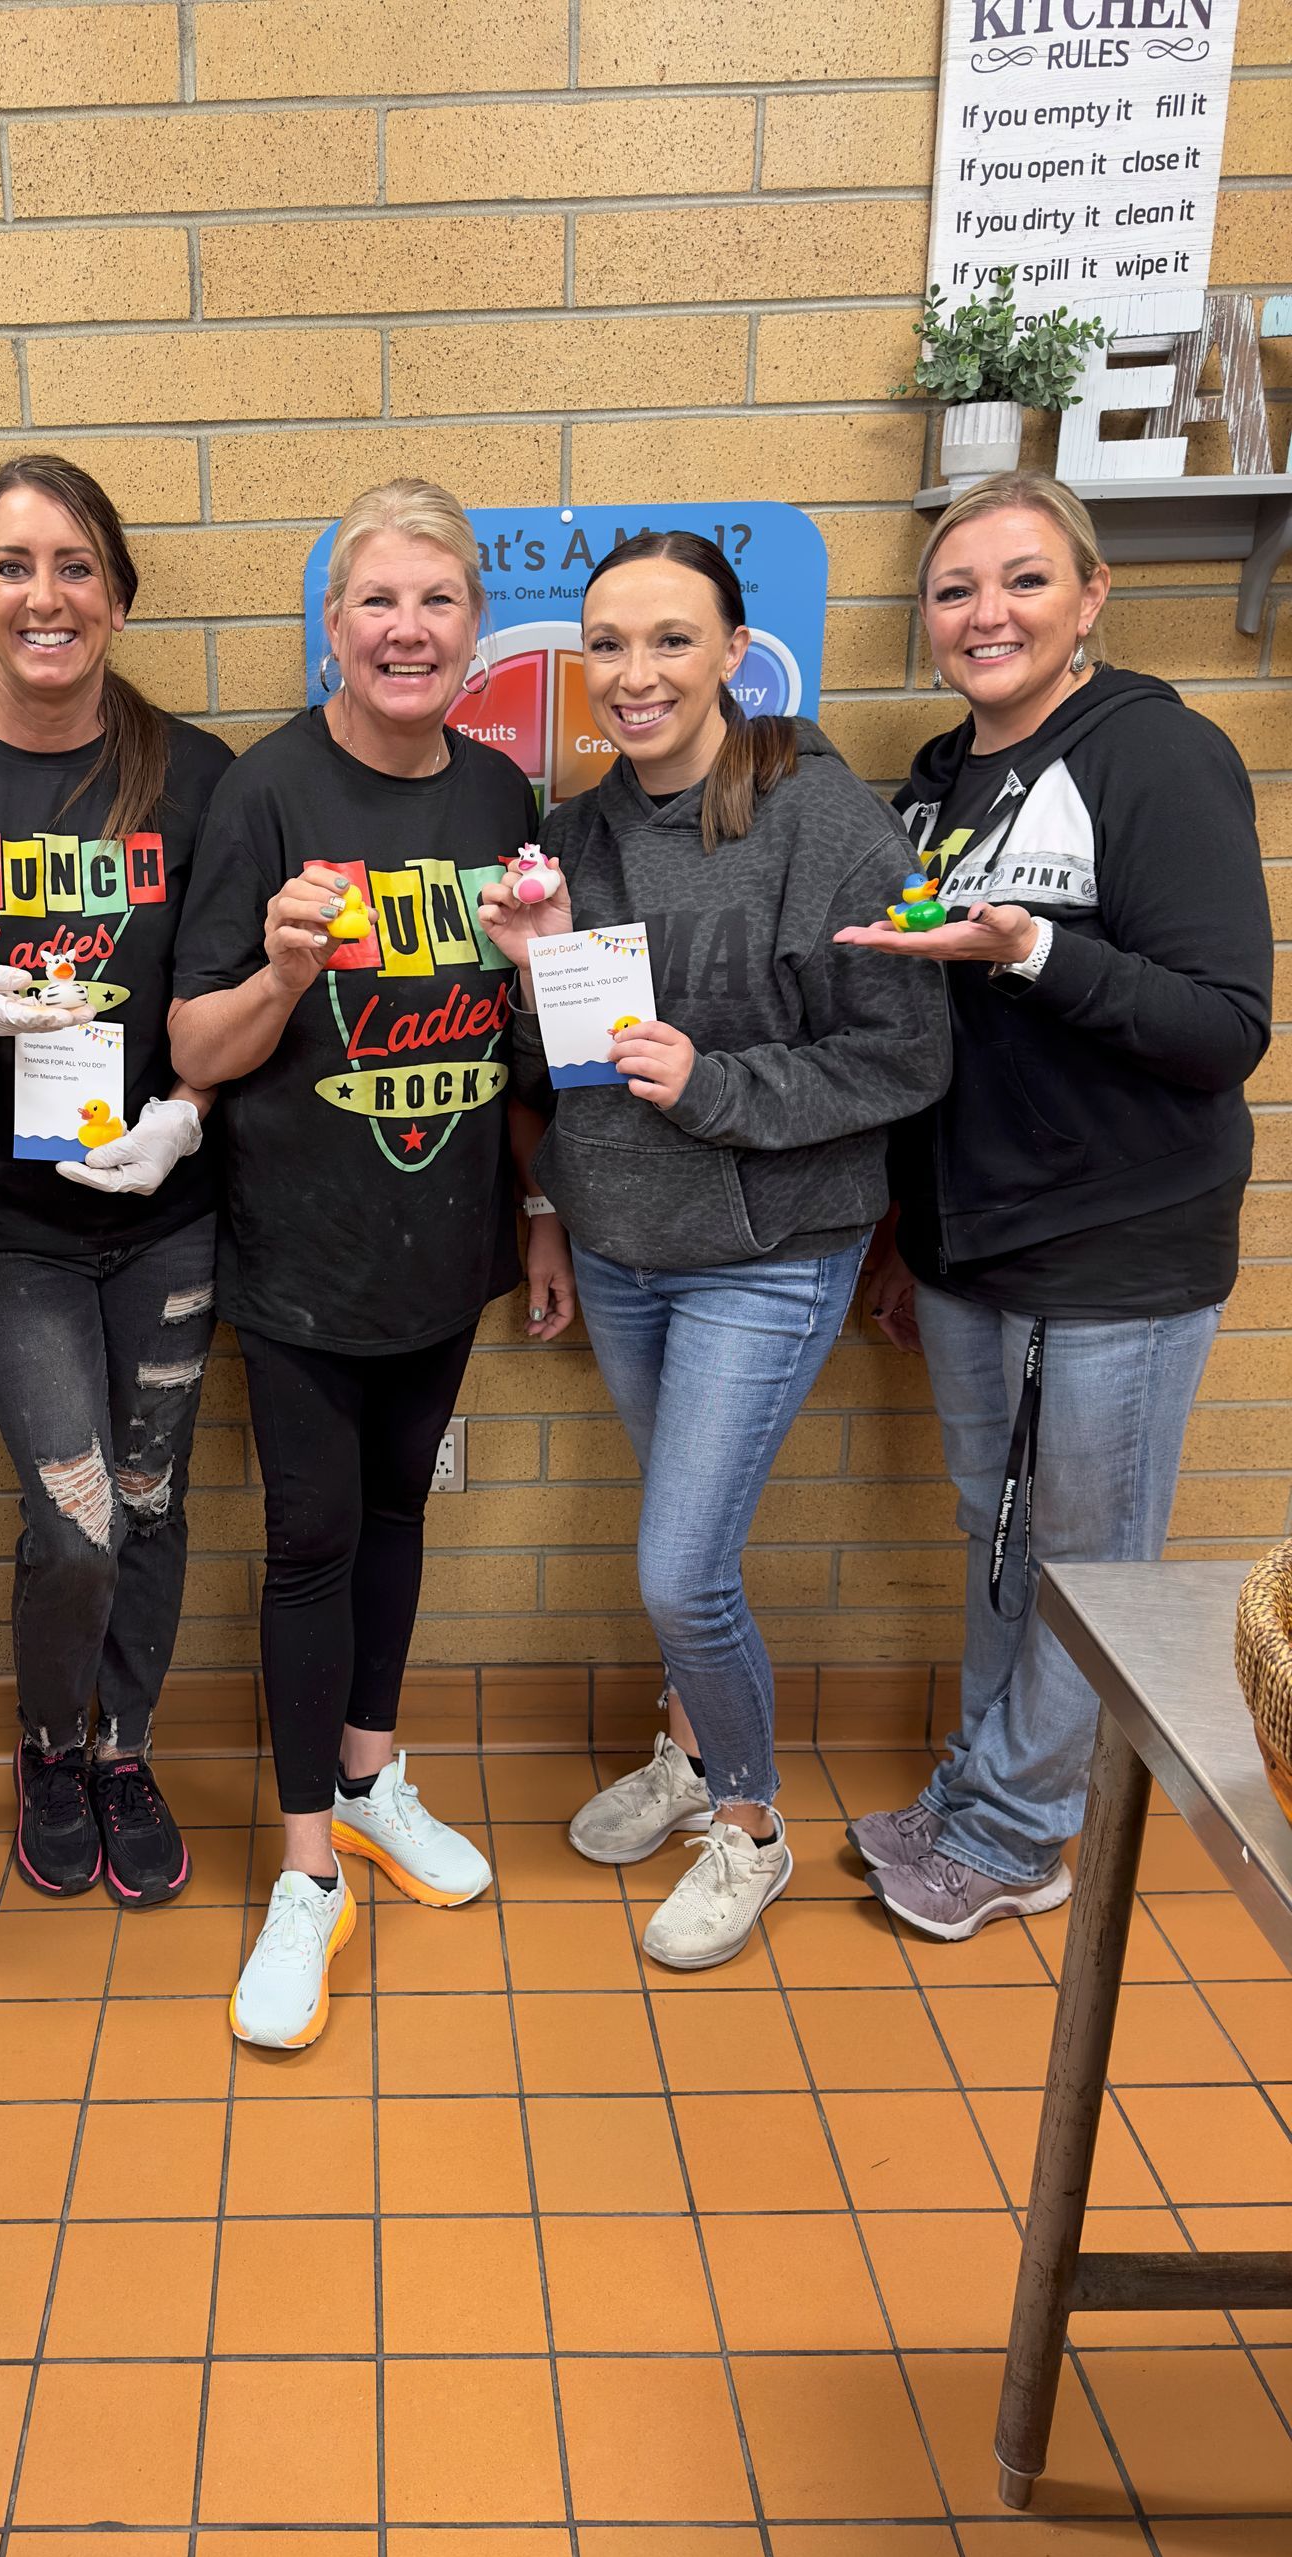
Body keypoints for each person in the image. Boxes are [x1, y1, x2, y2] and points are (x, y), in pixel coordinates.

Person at [481, 530, 952, 1971]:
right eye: (609, 646)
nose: (636, 675)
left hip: (770, 1248)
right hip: (624, 1243)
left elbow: (911, 1053)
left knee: (684, 1568)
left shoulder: (825, 822)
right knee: (689, 1546)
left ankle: (746, 1822)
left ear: (734, 653)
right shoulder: (570, 835)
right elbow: (562, 1066)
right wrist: (537, 966)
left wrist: (721, 1087)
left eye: (671, 641)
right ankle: (688, 1752)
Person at [835, 470, 1271, 1939]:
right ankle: (982, 1789)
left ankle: (1025, 1833)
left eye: (1023, 580)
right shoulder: (937, 777)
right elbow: (924, 1037)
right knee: (1004, 1532)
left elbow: (1224, 1026)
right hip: (973, 1240)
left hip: (1121, 1245)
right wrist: (908, 1234)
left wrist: (1033, 951)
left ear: (1090, 596)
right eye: (956, 589)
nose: (986, 613)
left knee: (1084, 1555)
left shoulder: (1157, 754)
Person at [171, 477, 573, 2048]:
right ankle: (302, 1874)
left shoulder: (498, 798)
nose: (407, 629)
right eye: (375, 601)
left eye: (437, 601)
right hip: (299, 1251)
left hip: (449, 1234)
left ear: (474, 628)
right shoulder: (264, 793)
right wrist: (277, 967)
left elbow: (535, 1037)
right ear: (331, 627)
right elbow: (196, 1047)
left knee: (402, 1513)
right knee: (310, 1543)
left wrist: (538, 1214)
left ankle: (370, 1773)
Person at [0, 455, 233, 1906]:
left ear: (119, 597)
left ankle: (120, 1746)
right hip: (11, 1224)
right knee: (76, 1519)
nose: (45, 596)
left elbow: (223, 997)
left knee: (154, 1493)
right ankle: (45, 1742)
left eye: (74, 566)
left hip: (166, 1209)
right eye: (14, 567)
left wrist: (187, 1116)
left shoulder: (200, 775)